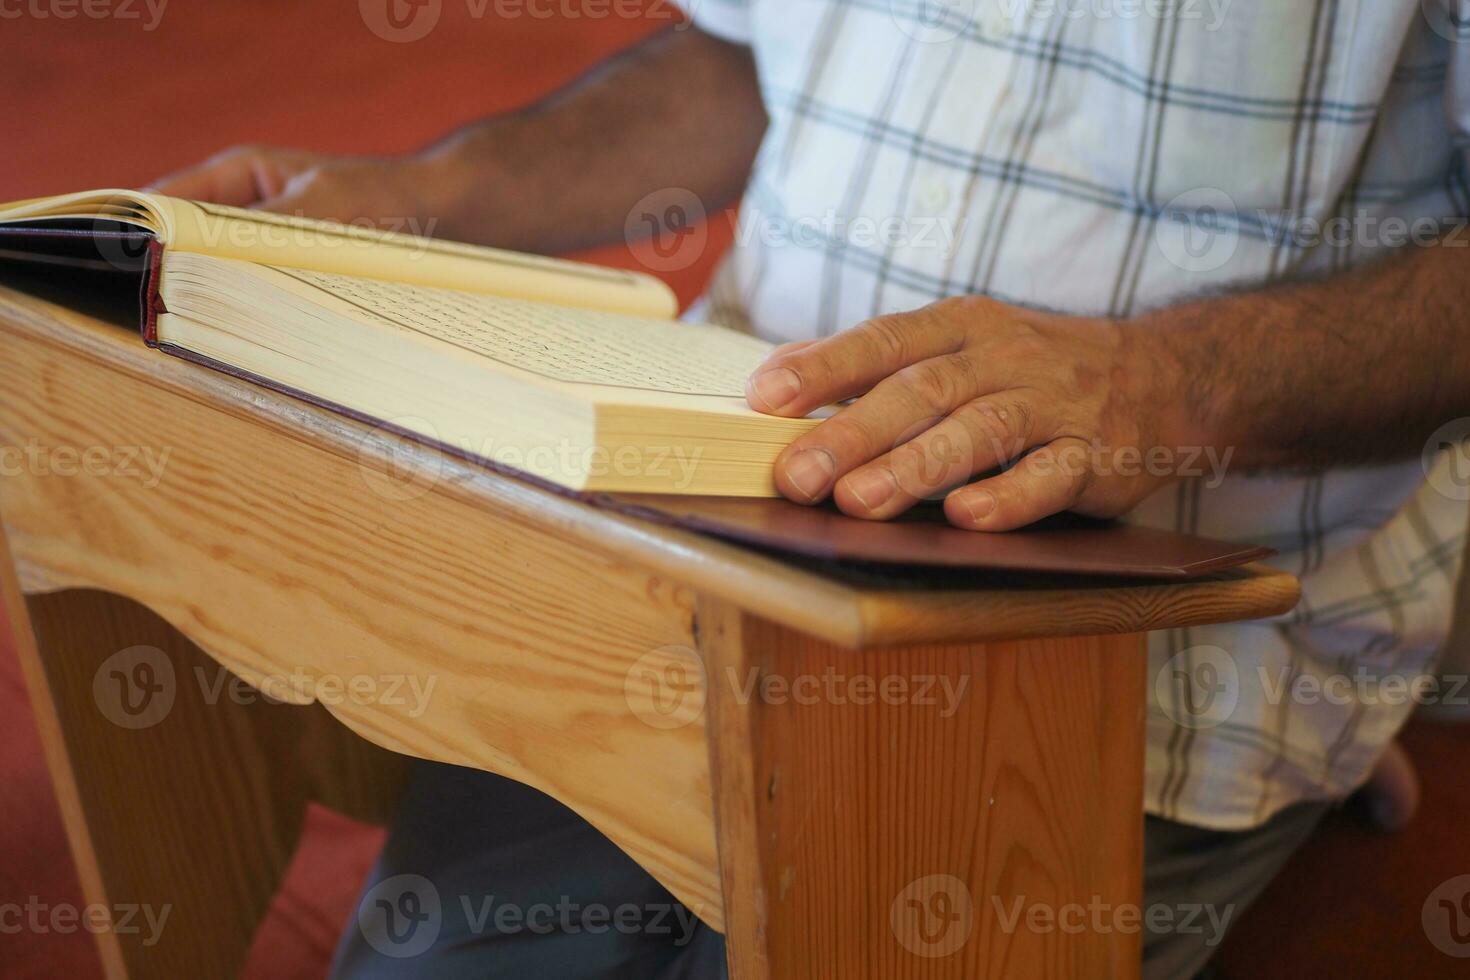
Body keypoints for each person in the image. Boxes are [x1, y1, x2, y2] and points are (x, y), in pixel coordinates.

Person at [154, 2, 1470, 977]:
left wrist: (1170, 385)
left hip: (1156, 650)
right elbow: (742, 55)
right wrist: (432, 193)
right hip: (686, 533)